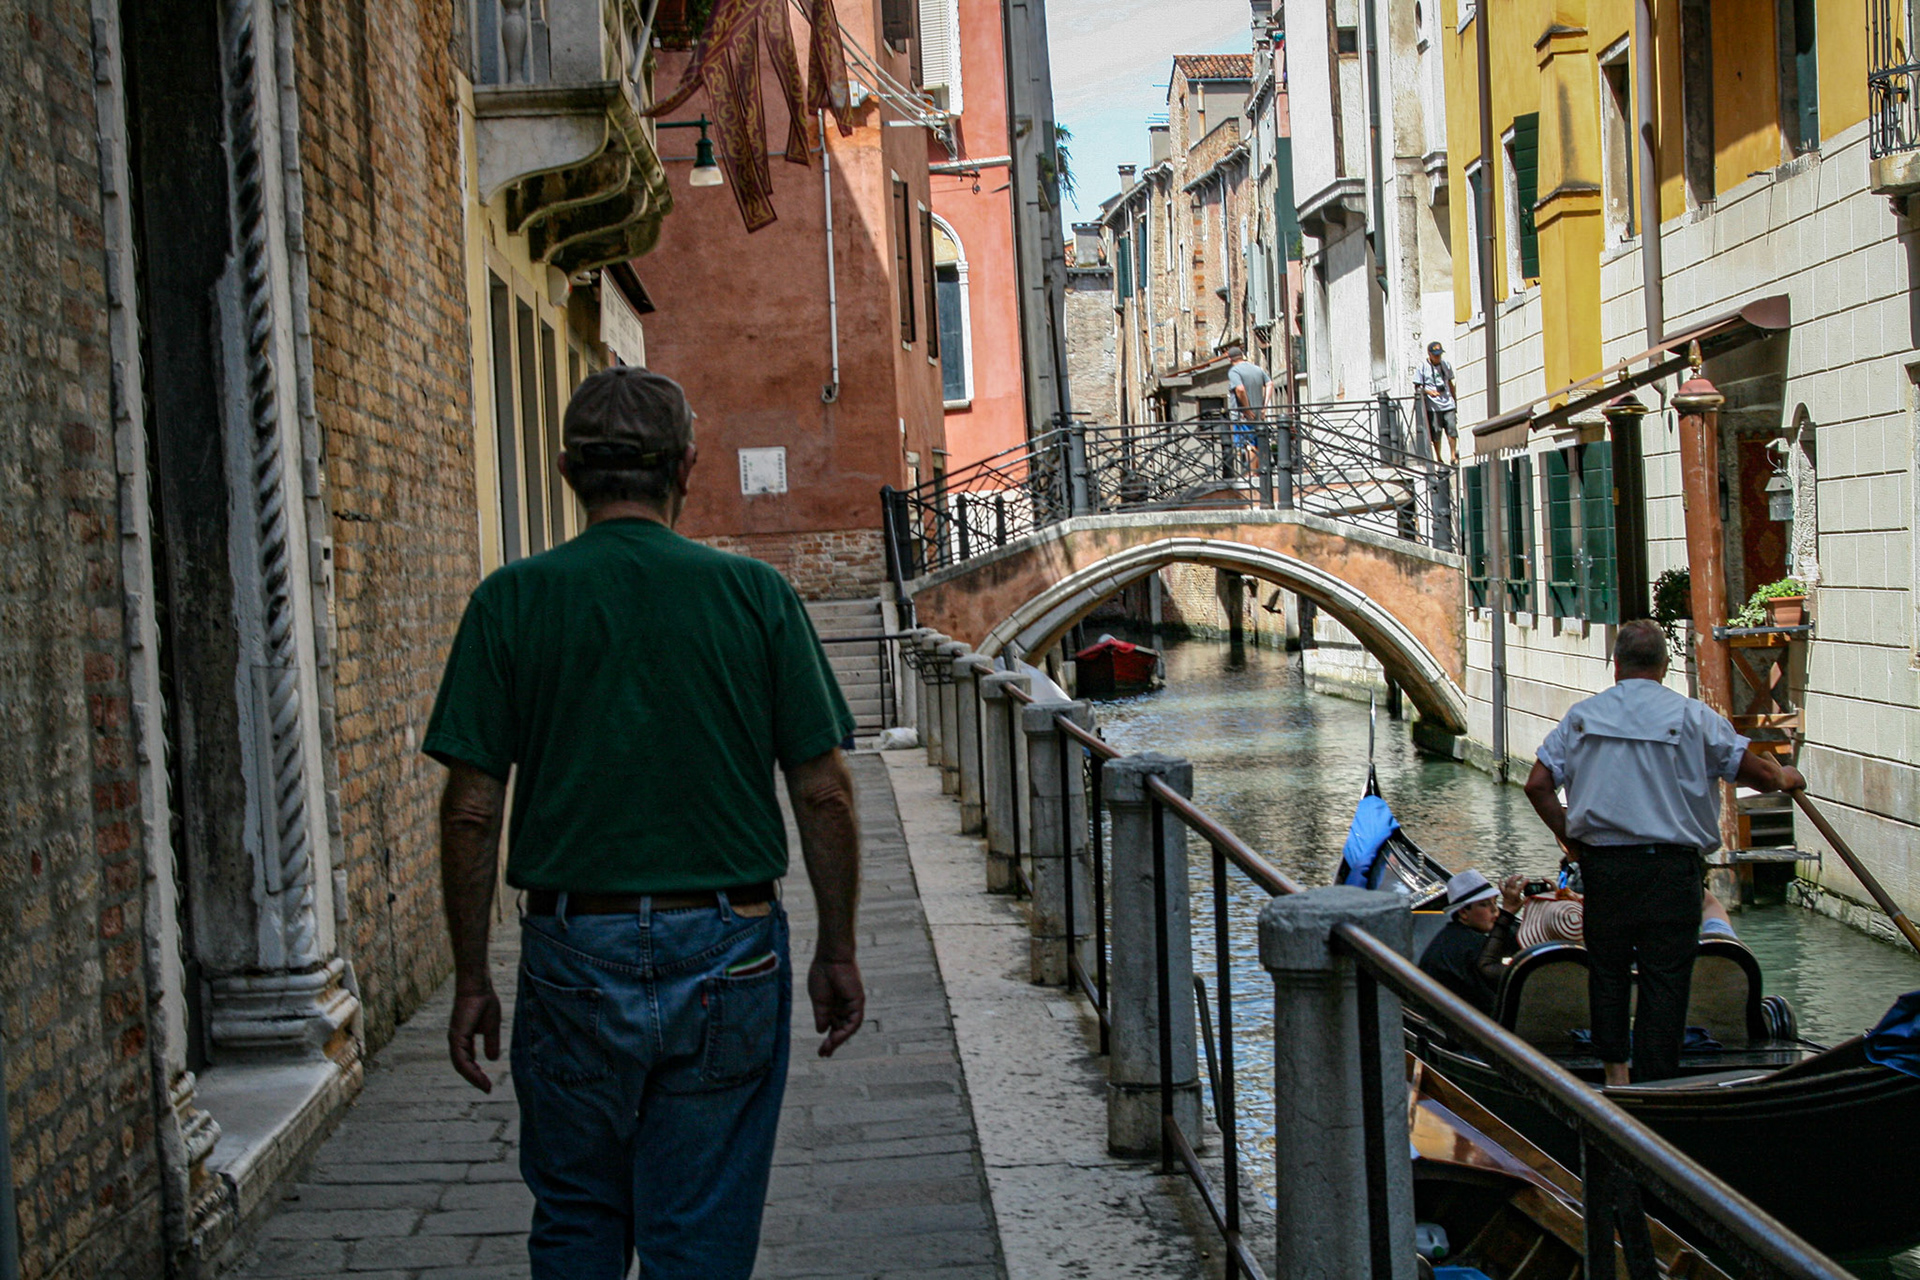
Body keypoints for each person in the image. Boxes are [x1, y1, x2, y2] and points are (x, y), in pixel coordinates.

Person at [424, 367, 864, 1279]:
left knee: (577, 1218)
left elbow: (472, 808)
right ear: (688, 469)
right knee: (697, 1234)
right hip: (730, 947)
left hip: (571, 946)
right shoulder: (755, 597)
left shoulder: (509, 602)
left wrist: (472, 973)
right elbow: (823, 791)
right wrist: (837, 947)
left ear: (564, 471)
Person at [1523, 618, 1805, 1086]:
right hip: (1671, 873)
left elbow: (1537, 785)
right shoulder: (1694, 717)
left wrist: (1569, 836)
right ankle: (1657, 1084)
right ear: (1665, 666)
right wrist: (1784, 777)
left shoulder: (1582, 718)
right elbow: (1751, 770)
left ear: (1616, 666)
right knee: (1665, 980)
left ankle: (1616, 1079)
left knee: (1608, 974)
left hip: (1607, 869)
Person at [1419, 869, 1528, 1015]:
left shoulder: (1455, 935)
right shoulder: (1469, 944)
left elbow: (1509, 940)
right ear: (1463, 913)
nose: (1495, 910)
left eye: (1495, 903)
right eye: (1484, 905)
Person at [1225, 345, 1271, 478]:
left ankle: (1252, 473)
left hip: (1243, 415)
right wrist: (1264, 406)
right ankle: (1257, 472)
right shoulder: (1257, 369)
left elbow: (1239, 389)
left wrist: (1246, 409)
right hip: (1258, 413)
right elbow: (1270, 384)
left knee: (1248, 444)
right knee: (1256, 443)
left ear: (1230, 358)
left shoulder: (1234, 371)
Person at [1415, 341, 1458, 466]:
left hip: (1448, 403)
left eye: (1439, 355)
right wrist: (1429, 392)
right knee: (1436, 432)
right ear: (1429, 354)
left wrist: (1454, 399)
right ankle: (1438, 457)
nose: (1438, 357)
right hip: (1433, 406)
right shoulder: (1422, 367)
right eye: (1435, 355)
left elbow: (1450, 383)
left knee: (1452, 429)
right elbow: (1418, 387)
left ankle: (1453, 455)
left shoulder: (1446, 365)